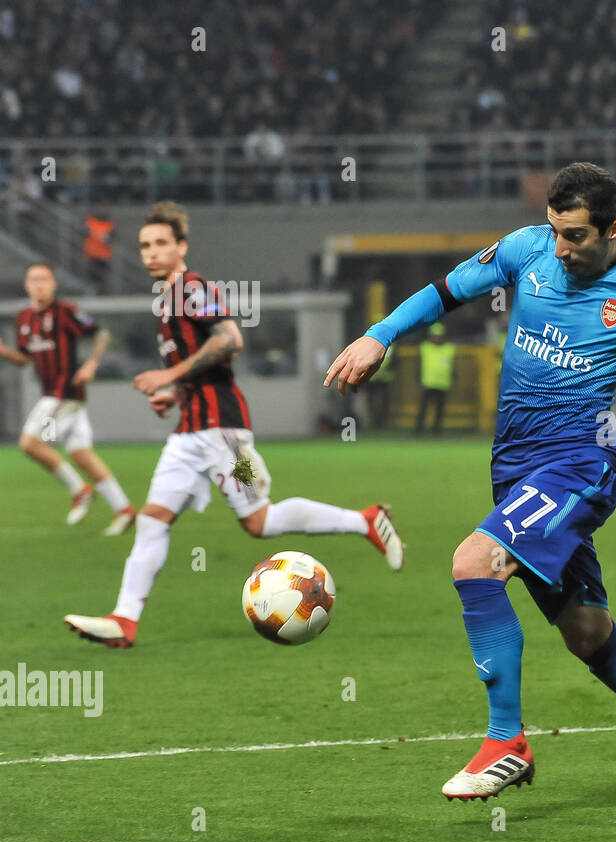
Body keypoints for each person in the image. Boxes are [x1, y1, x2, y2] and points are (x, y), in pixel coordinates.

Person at [325, 163, 616, 807]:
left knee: (474, 564)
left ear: (613, 228)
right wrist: (380, 335)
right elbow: (443, 291)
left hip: (581, 461)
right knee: (587, 632)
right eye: (556, 231)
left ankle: (505, 742)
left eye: (575, 236)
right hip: (514, 464)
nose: (562, 249)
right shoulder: (526, 249)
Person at [64, 201, 406, 649]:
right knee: (152, 520)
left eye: (161, 243)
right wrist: (178, 392)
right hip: (189, 433)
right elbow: (206, 364)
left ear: (181, 246)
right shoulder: (166, 298)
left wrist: (168, 376)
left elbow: (230, 339)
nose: (150, 252)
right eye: (144, 245)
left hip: (224, 433)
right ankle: (124, 620)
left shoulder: (190, 288)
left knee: (260, 520)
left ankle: (364, 520)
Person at [0, 262, 135, 535]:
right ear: (27, 285)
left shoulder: (66, 311)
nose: (39, 284)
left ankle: (80, 489)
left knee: (29, 443)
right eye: (34, 279)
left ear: (53, 284)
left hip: (65, 392)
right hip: (54, 393)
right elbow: (25, 359)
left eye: (44, 279)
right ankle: (124, 510)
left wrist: (92, 364)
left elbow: (101, 333)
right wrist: (3, 351)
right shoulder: (24, 318)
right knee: (81, 455)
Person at [417, 322, 455, 434]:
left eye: (439, 336)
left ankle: (436, 429)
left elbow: (452, 367)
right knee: (423, 408)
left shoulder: (449, 348)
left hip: (443, 383)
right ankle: (419, 429)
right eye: (435, 336)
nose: (437, 338)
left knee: (439, 409)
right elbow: (418, 365)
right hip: (428, 382)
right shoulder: (425, 347)